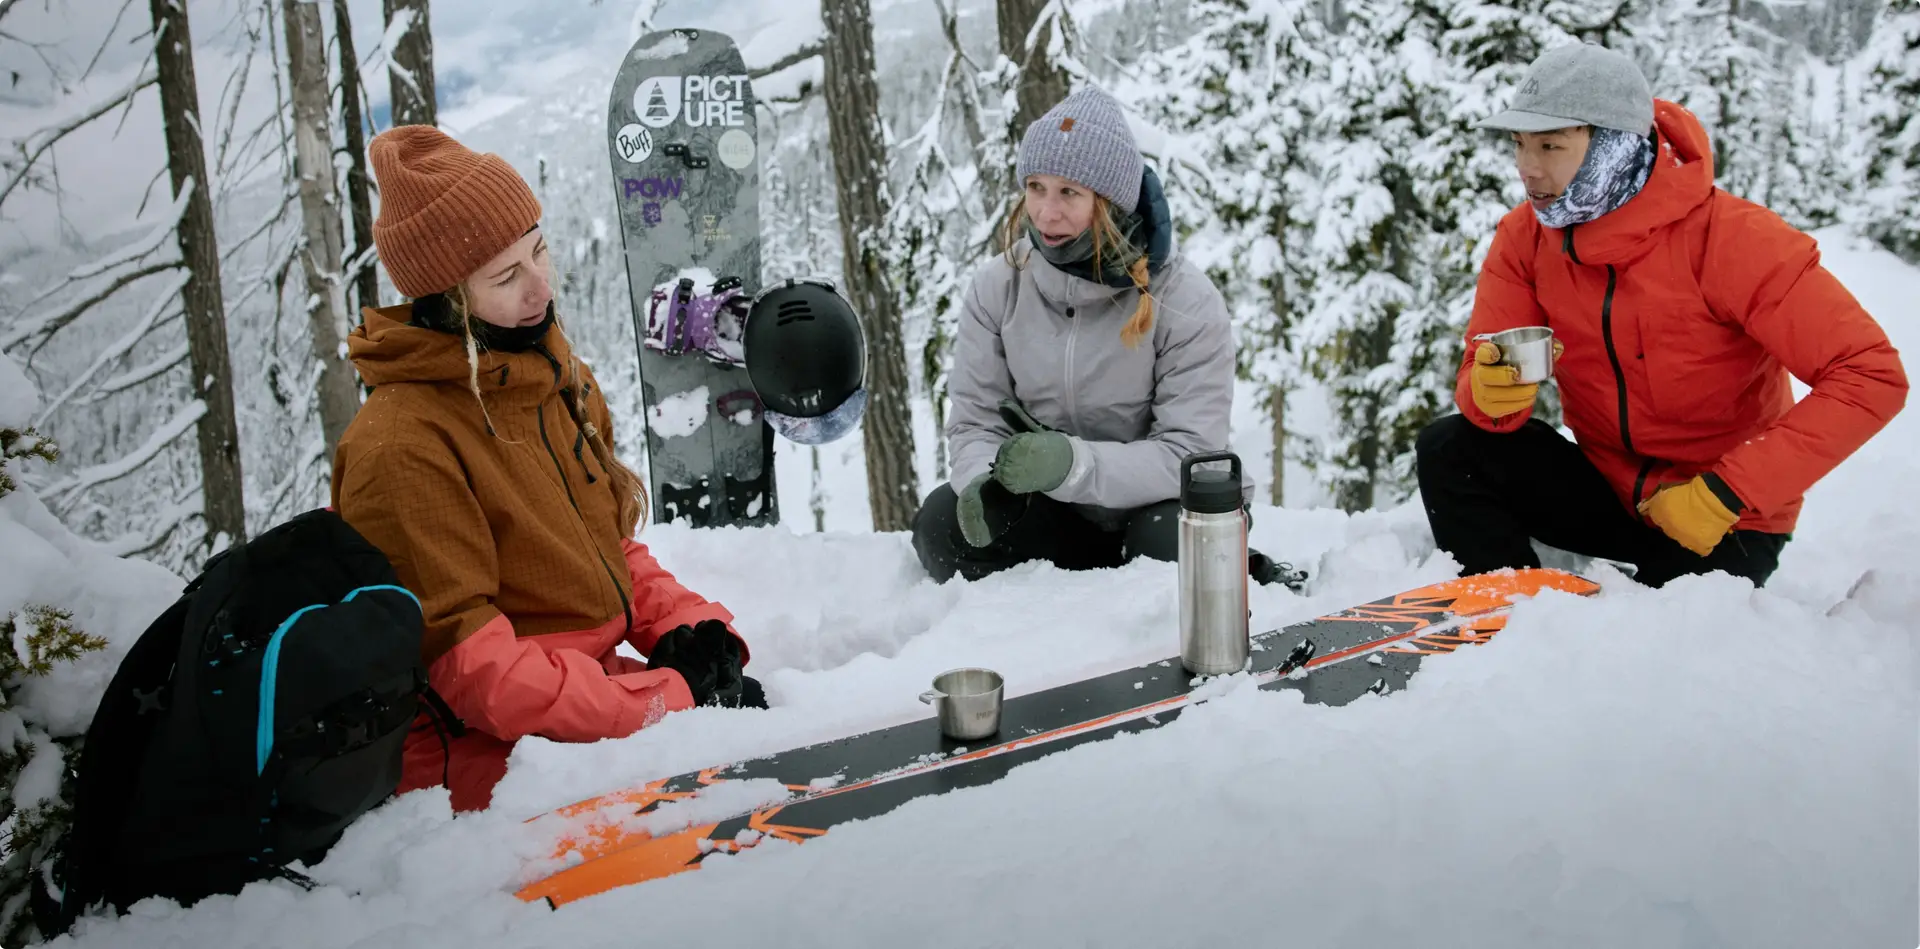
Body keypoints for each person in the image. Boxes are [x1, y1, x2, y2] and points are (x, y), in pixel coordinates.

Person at [332, 125, 765, 813]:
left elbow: (606, 548)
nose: (541, 290)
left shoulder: (548, 378)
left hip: (580, 711)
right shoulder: (402, 446)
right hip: (482, 769)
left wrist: (694, 629)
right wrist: (664, 696)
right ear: (446, 300)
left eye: (540, 253)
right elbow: (479, 677)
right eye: (507, 276)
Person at [1416, 43, 1908, 589]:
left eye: (1551, 145)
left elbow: (1870, 375)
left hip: (1720, 519)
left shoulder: (1735, 241)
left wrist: (1727, 491)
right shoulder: (1525, 238)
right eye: (1519, 145)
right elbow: (1484, 375)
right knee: (1450, 447)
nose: (1529, 170)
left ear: (1614, 146)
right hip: (1609, 492)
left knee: (1651, 639)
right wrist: (1486, 395)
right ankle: (1499, 609)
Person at [911, 86, 1298, 587]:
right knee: (943, 523)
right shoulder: (998, 287)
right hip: (1056, 512)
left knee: (1171, 553)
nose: (1047, 213)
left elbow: (1190, 454)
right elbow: (975, 421)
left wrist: (1073, 464)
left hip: (1158, 509)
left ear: (1111, 201)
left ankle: (1243, 577)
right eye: (1035, 186)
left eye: (1069, 192)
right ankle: (1058, 615)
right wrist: (988, 481)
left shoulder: (1184, 299)